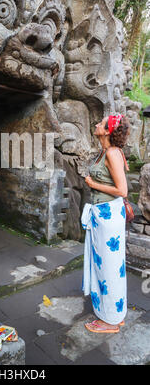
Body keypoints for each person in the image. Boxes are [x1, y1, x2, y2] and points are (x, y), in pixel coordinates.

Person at [82, 114, 130, 333]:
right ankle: (114, 315)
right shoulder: (104, 152)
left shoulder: (112, 153)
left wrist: (93, 183)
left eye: (101, 124)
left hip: (109, 216)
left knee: (109, 269)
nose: (96, 125)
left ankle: (110, 321)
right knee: (108, 267)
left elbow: (122, 191)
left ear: (108, 131)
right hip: (102, 215)